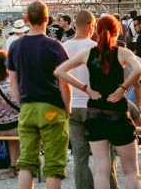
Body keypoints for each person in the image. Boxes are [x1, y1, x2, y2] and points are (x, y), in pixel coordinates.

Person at [55, 14, 141, 189]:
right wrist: (123, 88)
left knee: (101, 169)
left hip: (94, 113)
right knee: (131, 171)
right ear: (117, 31)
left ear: (98, 31)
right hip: (117, 112)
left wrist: (85, 88)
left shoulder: (89, 54)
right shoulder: (122, 52)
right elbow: (138, 69)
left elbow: (60, 71)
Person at [8, 1, 70, 189]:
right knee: (53, 164)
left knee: (26, 161)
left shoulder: (15, 46)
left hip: (27, 107)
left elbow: (13, 81)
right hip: (51, 108)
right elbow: (64, 81)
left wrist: (21, 102)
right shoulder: (55, 46)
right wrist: (67, 107)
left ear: (26, 19)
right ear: (47, 18)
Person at [60, 10, 97, 189]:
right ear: (91, 24)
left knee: (79, 157)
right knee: (103, 155)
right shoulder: (95, 47)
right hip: (93, 106)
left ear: (74, 24)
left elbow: (58, 78)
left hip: (71, 105)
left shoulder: (63, 47)